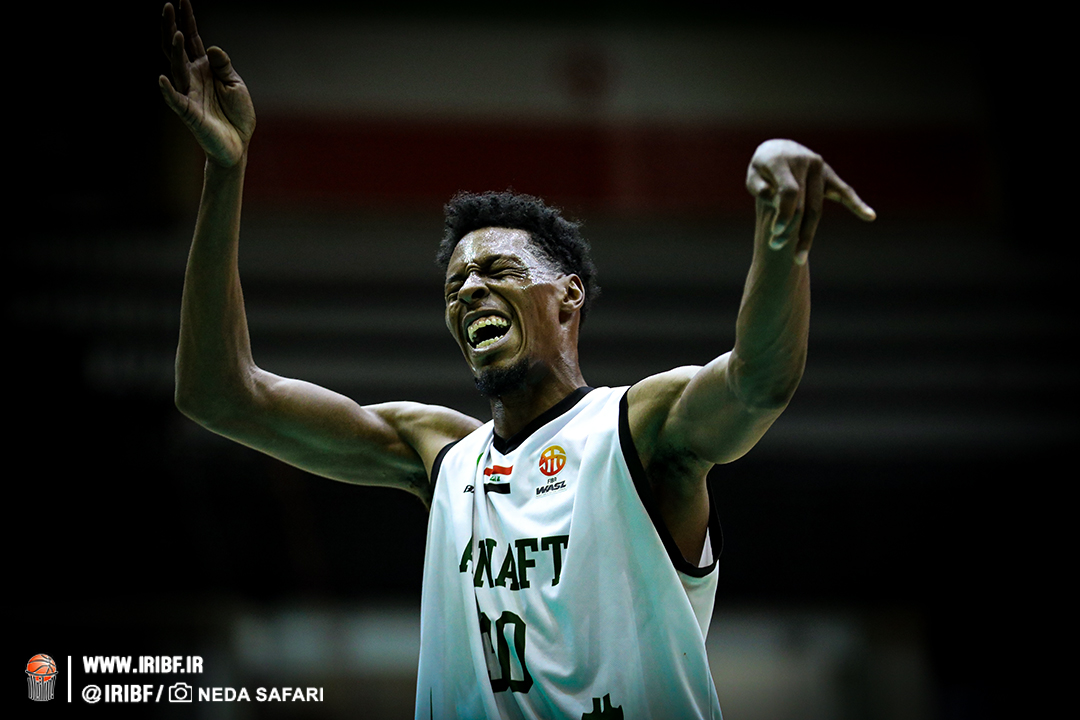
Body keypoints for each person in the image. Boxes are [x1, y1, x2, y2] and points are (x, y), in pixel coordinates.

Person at [159, 1, 876, 718]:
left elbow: (758, 383)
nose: (471, 290)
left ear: (569, 295)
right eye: (455, 287)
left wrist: (782, 240)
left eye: (498, 270)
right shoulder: (438, 453)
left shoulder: (637, 429)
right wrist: (226, 170)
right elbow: (218, 394)